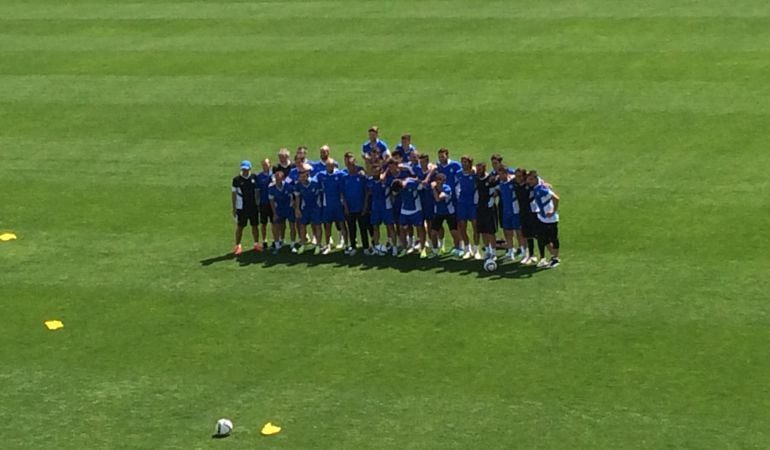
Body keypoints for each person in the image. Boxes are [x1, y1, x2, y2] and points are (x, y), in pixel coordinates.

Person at [527, 170, 561, 268]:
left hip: (551, 219)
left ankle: (555, 258)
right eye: (529, 179)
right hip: (542, 218)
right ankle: (553, 256)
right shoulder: (537, 186)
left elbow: (556, 198)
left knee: (553, 238)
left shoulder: (542, 189)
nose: (529, 182)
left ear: (535, 179)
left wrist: (553, 211)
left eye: (531, 179)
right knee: (543, 238)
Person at [316, 159, 346, 254]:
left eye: (331, 165)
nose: (330, 167)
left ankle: (346, 244)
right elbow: (312, 180)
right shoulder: (321, 175)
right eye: (328, 166)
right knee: (327, 225)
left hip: (338, 204)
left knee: (342, 224)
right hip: (327, 205)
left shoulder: (340, 174)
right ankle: (328, 245)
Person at [392, 178, 427, 258]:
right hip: (404, 210)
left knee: (420, 228)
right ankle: (405, 247)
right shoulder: (397, 186)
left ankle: (423, 248)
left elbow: (422, 186)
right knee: (402, 228)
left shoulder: (412, 183)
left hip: (416, 210)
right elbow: (394, 193)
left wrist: (419, 181)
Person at [341, 156, 370, 255]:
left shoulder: (361, 177)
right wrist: (345, 207)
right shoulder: (344, 178)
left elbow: (366, 192)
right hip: (350, 208)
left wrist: (365, 206)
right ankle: (353, 246)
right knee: (351, 228)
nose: (351, 166)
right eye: (349, 165)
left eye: (352, 165)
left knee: (363, 228)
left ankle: (366, 247)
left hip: (360, 207)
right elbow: (343, 194)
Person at [496, 166, 525, 261]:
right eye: (499, 174)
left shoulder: (513, 181)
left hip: (515, 211)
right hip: (506, 211)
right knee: (507, 232)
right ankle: (510, 252)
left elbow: (526, 176)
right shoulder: (500, 182)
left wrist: (543, 183)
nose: (500, 176)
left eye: (502, 173)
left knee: (519, 232)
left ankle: (523, 251)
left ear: (506, 173)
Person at [231, 160, 260, 256]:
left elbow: (257, 192)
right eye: (243, 169)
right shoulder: (236, 180)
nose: (245, 171)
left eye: (246, 169)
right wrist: (234, 208)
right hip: (242, 207)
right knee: (240, 227)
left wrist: (258, 204)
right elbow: (234, 194)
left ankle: (256, 244)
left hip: (253, 206)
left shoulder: (254, 178)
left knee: (255, 225)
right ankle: (238, 245)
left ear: (250, 169)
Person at [293, 165, 323, 255]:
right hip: (305, 208)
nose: (301, 178)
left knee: (317, 225)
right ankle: (303, 244)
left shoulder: (315, 183)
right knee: (302, 225)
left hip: (315, 207)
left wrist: (321, 207)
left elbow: (321, 195)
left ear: (307, 175)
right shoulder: (298, 184)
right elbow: (297, 197)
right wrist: (297, 209)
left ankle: (318, 245)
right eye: (300, 176)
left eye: (303, 176)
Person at [455, 155, 480, 259]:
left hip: (472, 204)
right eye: (462, 162)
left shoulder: (475, 174)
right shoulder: (458, 174)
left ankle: (476, 249)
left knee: (475, 226)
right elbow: (456, 187)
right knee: (462, 226)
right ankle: (467, 248)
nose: (464, 164)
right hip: (462, 203)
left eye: (466, 162)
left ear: (470, 163)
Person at [365, 164, 394, 255]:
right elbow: (368, 194)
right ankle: (377, 246)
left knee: (390, 226)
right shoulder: (369, 181)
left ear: (381, 171)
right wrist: (366, 207)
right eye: (373, 171)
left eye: (377, 171)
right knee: (375, 227)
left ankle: (393, 245)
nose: (375, 173)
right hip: (375, 208)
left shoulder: (386, 180)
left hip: (386, 207)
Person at [429, 173, 458, 258]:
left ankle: (457, 248)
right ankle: (435, 250)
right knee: (433, 232)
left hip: (449, 212)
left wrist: (434, 188)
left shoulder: (447, 188)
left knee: (454, 231)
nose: (439, 183)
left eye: (441, 181)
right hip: (438, 212)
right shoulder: (435, 187)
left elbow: (438, 199)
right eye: (438, 181)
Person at [474, 162, 499, 260]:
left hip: (489, 208)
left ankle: (493, 252)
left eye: (480, 169)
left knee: (491, 231)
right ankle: (487, 250)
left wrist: (492, 199)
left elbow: (497, 189)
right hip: (480, 207)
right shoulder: (477, 179)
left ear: (484, 169)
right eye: (477, 169)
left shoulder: (491, 179)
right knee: (483, 230)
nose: (478, 171)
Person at [268, 170, 294, 253]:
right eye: (277, 178)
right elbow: (271, 201)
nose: (278, 180)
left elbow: (294, 197)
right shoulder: (272, 188)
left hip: (289, 209)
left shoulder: (288, 187)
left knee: (292, 226)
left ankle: (292, 245)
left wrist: (294, 207)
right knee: (276, 226)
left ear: (283, 178)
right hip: (279, 209)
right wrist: (274, 213)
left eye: (280, 178)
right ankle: (277, 245)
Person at [255, 159, 273, 249]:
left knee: (274, 223)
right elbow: (257, 191)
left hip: (272, 203)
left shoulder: (274, 175)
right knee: (264, 223)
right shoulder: (259, 176)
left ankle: (275, 240)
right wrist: (257, 203)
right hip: (263, 202)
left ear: (270, 165)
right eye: (263, 165)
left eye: (266, 164)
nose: (264, 166)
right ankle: (264, 240)